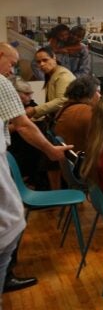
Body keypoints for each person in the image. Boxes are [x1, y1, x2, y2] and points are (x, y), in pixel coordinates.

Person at [0, 43, 71, 300]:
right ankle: (5, 275)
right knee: (11, 223)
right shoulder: (1, 82)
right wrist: (51, 149)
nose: (13, 68)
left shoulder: (59, 77)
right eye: (12, 62)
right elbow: (23, 125)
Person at [26, 46, 76, 121]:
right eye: (38, 62)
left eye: (45, 60)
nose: (41, 64)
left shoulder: (63, 75)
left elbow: (62, 100)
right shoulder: (51, 75)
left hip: (67, 120)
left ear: (54, 58)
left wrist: (35, 110)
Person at [53, 75, 101, 152]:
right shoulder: (87, 111)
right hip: (83, 159)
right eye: (98, 92)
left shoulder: (66, 108)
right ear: (89, 93)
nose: (100, 96)